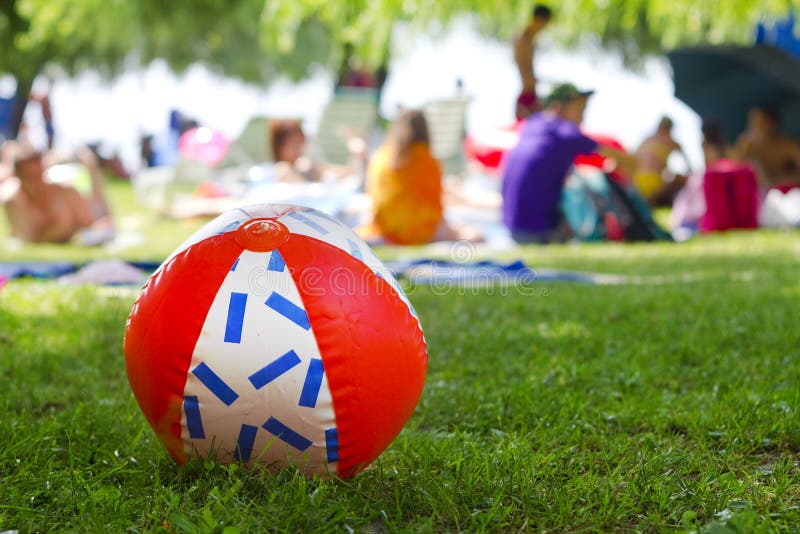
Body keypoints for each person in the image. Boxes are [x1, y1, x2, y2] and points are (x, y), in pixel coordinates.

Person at [501, 83, 632, 243]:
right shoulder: (564, 131)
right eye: (579, 111)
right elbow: (616, 156)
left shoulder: (533, 124)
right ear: (558, 108)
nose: (582, 118)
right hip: (537, 231)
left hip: (512, 226)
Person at [362, 110, 477, 245]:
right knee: (474, 235)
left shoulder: (381, 156)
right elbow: (435, 203)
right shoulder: (426, 159)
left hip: (383, 230)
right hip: (420, 232)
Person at [2, 143, 114, 244]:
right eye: (30, 178)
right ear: (18, 177)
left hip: (95, 215)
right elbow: (28, 239)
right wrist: (59, 228)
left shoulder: (65, 191)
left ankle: (91, 163)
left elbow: (90, 225)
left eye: (39, 176)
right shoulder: (14, 200)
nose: (36, 183)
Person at [734, 106, 800, 187]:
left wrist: (785, 180)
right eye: (752, 123)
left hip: (781, 191)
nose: (754, 128)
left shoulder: (786, 145)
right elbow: (735, 171)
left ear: (772, 124)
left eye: (760, 123)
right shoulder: (746, 144)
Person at [633, 116, 690, 206]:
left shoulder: (647, 139)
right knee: (678, 178)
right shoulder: (671, 142)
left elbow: (633, 158)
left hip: (638, 180)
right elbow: (687, 164)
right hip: (655, 183)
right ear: (670, 129)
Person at [513, 4, 552, 121]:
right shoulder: (523, 39)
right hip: (526, 99)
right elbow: (524, 70)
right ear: (538, 19)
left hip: (530, 95)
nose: (544, 27)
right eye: (545, 23)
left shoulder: (529, 38)